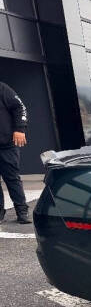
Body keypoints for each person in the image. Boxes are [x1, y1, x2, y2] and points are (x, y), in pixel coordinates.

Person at [0, 81, 30, 224]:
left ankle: (21, 211)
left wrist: (20, 129)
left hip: (6, 145)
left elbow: (20, 107)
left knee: (12, 178)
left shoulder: (2, 88)